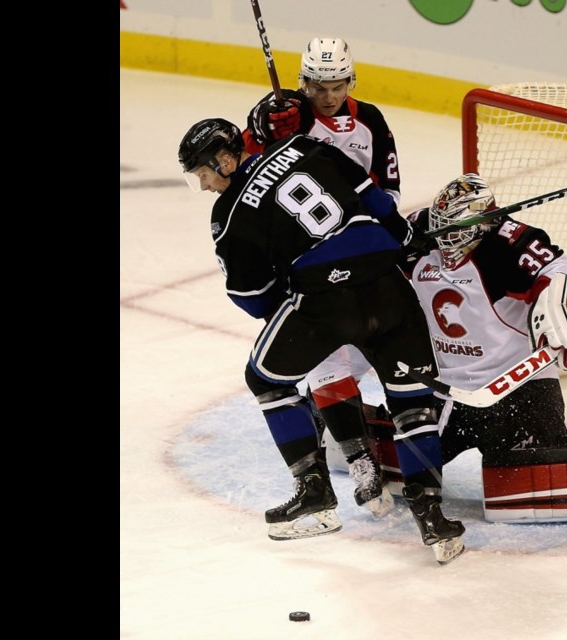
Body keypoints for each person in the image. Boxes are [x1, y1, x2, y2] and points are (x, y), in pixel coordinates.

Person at [177, 117, 465, 564]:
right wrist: (401, 238)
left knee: (266, 380)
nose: (206, 185)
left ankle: (315, 495)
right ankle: (432, 516)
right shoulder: (306, 145)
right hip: (389, 285)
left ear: (226, 158)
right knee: (413, 402)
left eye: (203, 173)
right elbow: (375, 198)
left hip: (326, 300)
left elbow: (254, 300)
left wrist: (304, 306)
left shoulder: (230, 213)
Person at [243, 37, 401, 516]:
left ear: (350, 81)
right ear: (302, 82)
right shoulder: (281, 116)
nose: (328, 96)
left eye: (337, 86)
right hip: (305, 265)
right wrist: (260, 132)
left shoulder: (369, 120)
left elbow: (389, 190)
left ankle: (394, 436)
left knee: (383, 345)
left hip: (360, 252)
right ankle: (360, 463)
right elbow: (248, 178)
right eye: (318, 86)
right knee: (327, 358)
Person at [402, 173, 567, 465]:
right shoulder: (416, 233)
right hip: (447, 390)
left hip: (518, 387)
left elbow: (562, 275)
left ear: (483, 224)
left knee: (542, 477)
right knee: (410, 471)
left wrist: (565, 322)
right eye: (439, 227)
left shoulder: (511, 245)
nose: (443, 238)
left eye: (453, 230)